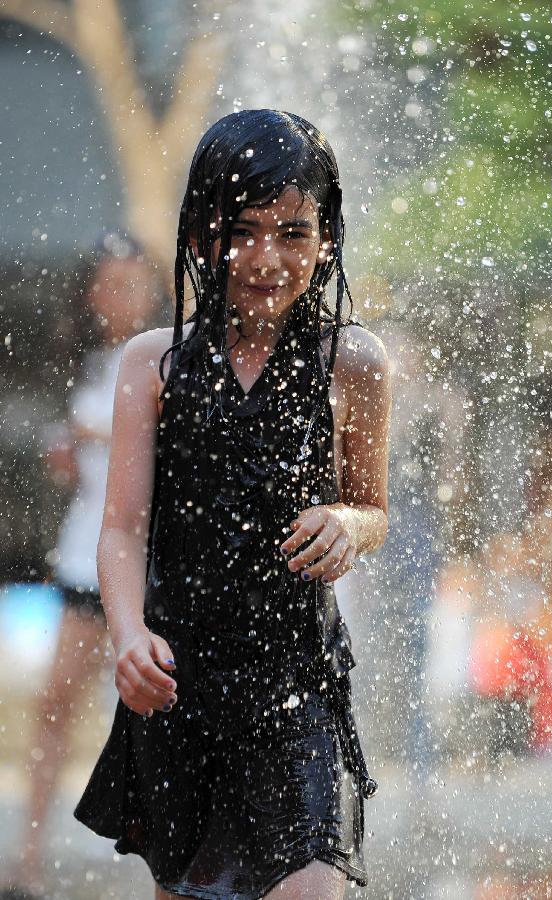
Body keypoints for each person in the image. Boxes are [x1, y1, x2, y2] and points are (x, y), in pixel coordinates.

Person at [73, 109, 391, 899]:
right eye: (240, 230)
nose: (265, 258)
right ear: (198, 231)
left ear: (327, 236)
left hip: (298, 679)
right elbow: (121, 529)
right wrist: (127, 636)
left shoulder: (351, 362)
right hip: (181, 681)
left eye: (293, 232)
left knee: (314, 884)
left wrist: (348, 523)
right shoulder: (154, 364)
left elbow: (373, 508)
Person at [3, 233, 158, 900]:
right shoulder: (86, 360)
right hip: (82, 556)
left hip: (148, 567)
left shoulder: (166, 356)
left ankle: (171, 866)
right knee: (55, 706)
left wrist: (102, 437)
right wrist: (71, 454)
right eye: (104, 282)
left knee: (161, 715)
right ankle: (27, 858)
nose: (112, 296)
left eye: (126, 282)